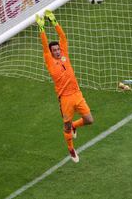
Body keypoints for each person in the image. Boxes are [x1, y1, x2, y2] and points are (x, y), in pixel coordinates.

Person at [35, 10, 94, 163]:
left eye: (57, 49)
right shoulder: (49, 60)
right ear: (50, 52)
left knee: (89, 120)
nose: (56, 51)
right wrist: (42, 28)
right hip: (65, 98)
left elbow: (62, 37)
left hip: (77, 94)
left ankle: (75, 126)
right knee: (66, 126)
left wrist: (54, 22)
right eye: (53, 50)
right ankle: (71, 148)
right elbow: (44, 44)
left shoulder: (64, 55)